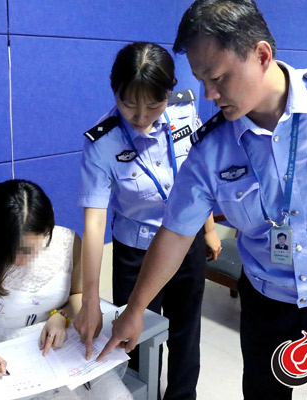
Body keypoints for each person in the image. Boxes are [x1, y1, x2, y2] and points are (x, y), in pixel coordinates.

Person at [98, 1, 307, 399]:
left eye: (218, 78)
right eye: (201, 80)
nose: (209, 94)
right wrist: (135, 309)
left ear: (261, 55)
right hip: (266, 299)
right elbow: (176, 232)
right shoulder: (211, 148)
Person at [74, 42, 222, 400]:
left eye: (154, 104)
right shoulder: (102, 142)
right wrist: (90, 298)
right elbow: (94, 223)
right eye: (129, 104)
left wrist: (209, 229)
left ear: (169, 92)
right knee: (134, 340)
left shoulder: (184, 114)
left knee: (186, 334)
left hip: (186, 244)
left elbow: (198, 179)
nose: (141, 116)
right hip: (136, 254)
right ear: (114, 90)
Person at [0, 179, 133, 400]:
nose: (21, 260)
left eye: (30, 249)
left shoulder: (67, 242)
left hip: (65, 343)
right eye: (13, 250)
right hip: (9, 358)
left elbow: (78, 295)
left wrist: (61, 316)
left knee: (116, 396)